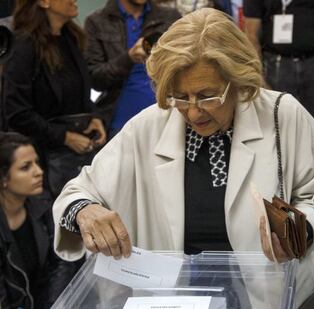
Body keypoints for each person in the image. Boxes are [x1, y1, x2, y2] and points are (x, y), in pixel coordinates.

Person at [53, 8, 314, 307]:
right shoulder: (148, 126)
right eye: (179, 96)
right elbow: (77, 193)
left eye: (206, 95)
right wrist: (85, 211)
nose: (192, 112)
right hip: (178, 296)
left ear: (238, 80)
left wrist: (298, 231)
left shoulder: (283, 116)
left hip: (270, 291)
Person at [243, 0, 314, 221]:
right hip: (275, 66)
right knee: (275, 136)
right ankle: (278, 200)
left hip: (312, 65)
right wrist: (258, 78)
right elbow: (251, 36)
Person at [3, 0, 106, 197]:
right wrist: (65, 137)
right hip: (43, 161)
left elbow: (79, 93)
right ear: (44, 2)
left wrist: (94, 117)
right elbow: (16, 112)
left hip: (76, 157)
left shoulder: (72, 38)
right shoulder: (24, 46)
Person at [0, 132, 82, 309]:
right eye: (25, 167)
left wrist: (54, 305)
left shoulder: (44, 206)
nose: (39, 172)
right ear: (3, 178)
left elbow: (61, 262)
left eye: (37, 163)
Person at [84, 0, 180, 138]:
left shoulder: (170, 16)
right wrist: (128, 58)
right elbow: (95, 78)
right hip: (119, 122)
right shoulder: (96, 22)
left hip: (167, 116)